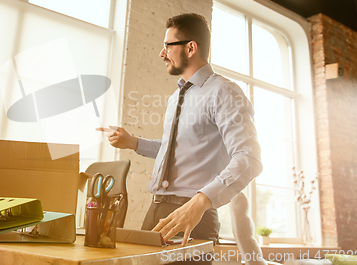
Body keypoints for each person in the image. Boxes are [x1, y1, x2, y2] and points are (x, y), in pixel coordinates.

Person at [97, 13, 262, 252]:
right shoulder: (177, 97)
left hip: (195, 215)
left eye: (167, 46)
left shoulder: (224, 92)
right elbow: (173, 149)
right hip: (157, 210)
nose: (162, 53)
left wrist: (201, 201)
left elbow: (249, 158)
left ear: (191, 48)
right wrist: (132, 142)